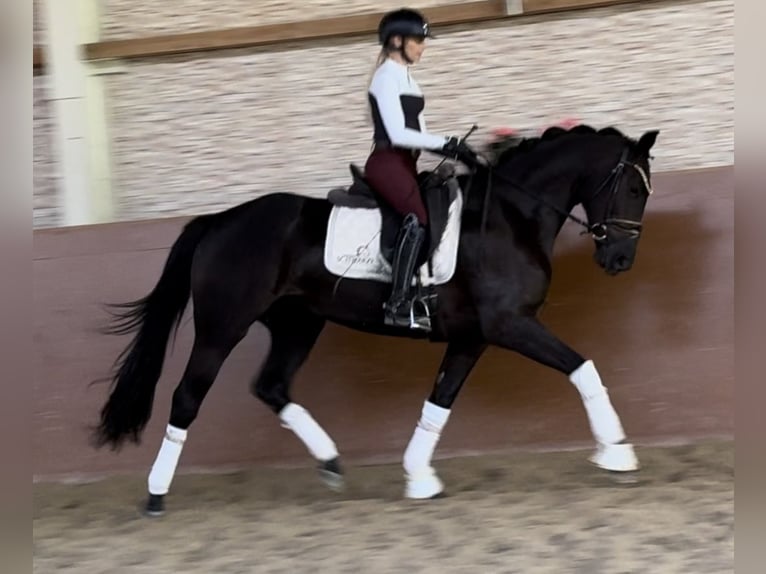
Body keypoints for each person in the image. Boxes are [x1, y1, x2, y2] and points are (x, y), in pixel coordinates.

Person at [365, 8, 474, 332]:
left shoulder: (409, 79)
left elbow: (420, 134)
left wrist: (455, 149)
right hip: (386, 162)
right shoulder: (385, 76)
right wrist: (445, 142)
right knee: (419, 218)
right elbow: (398, 133)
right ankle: (397, 303)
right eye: (418, 40)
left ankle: (425, 286)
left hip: (406, 162)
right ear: (397, 41)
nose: (423, 46)